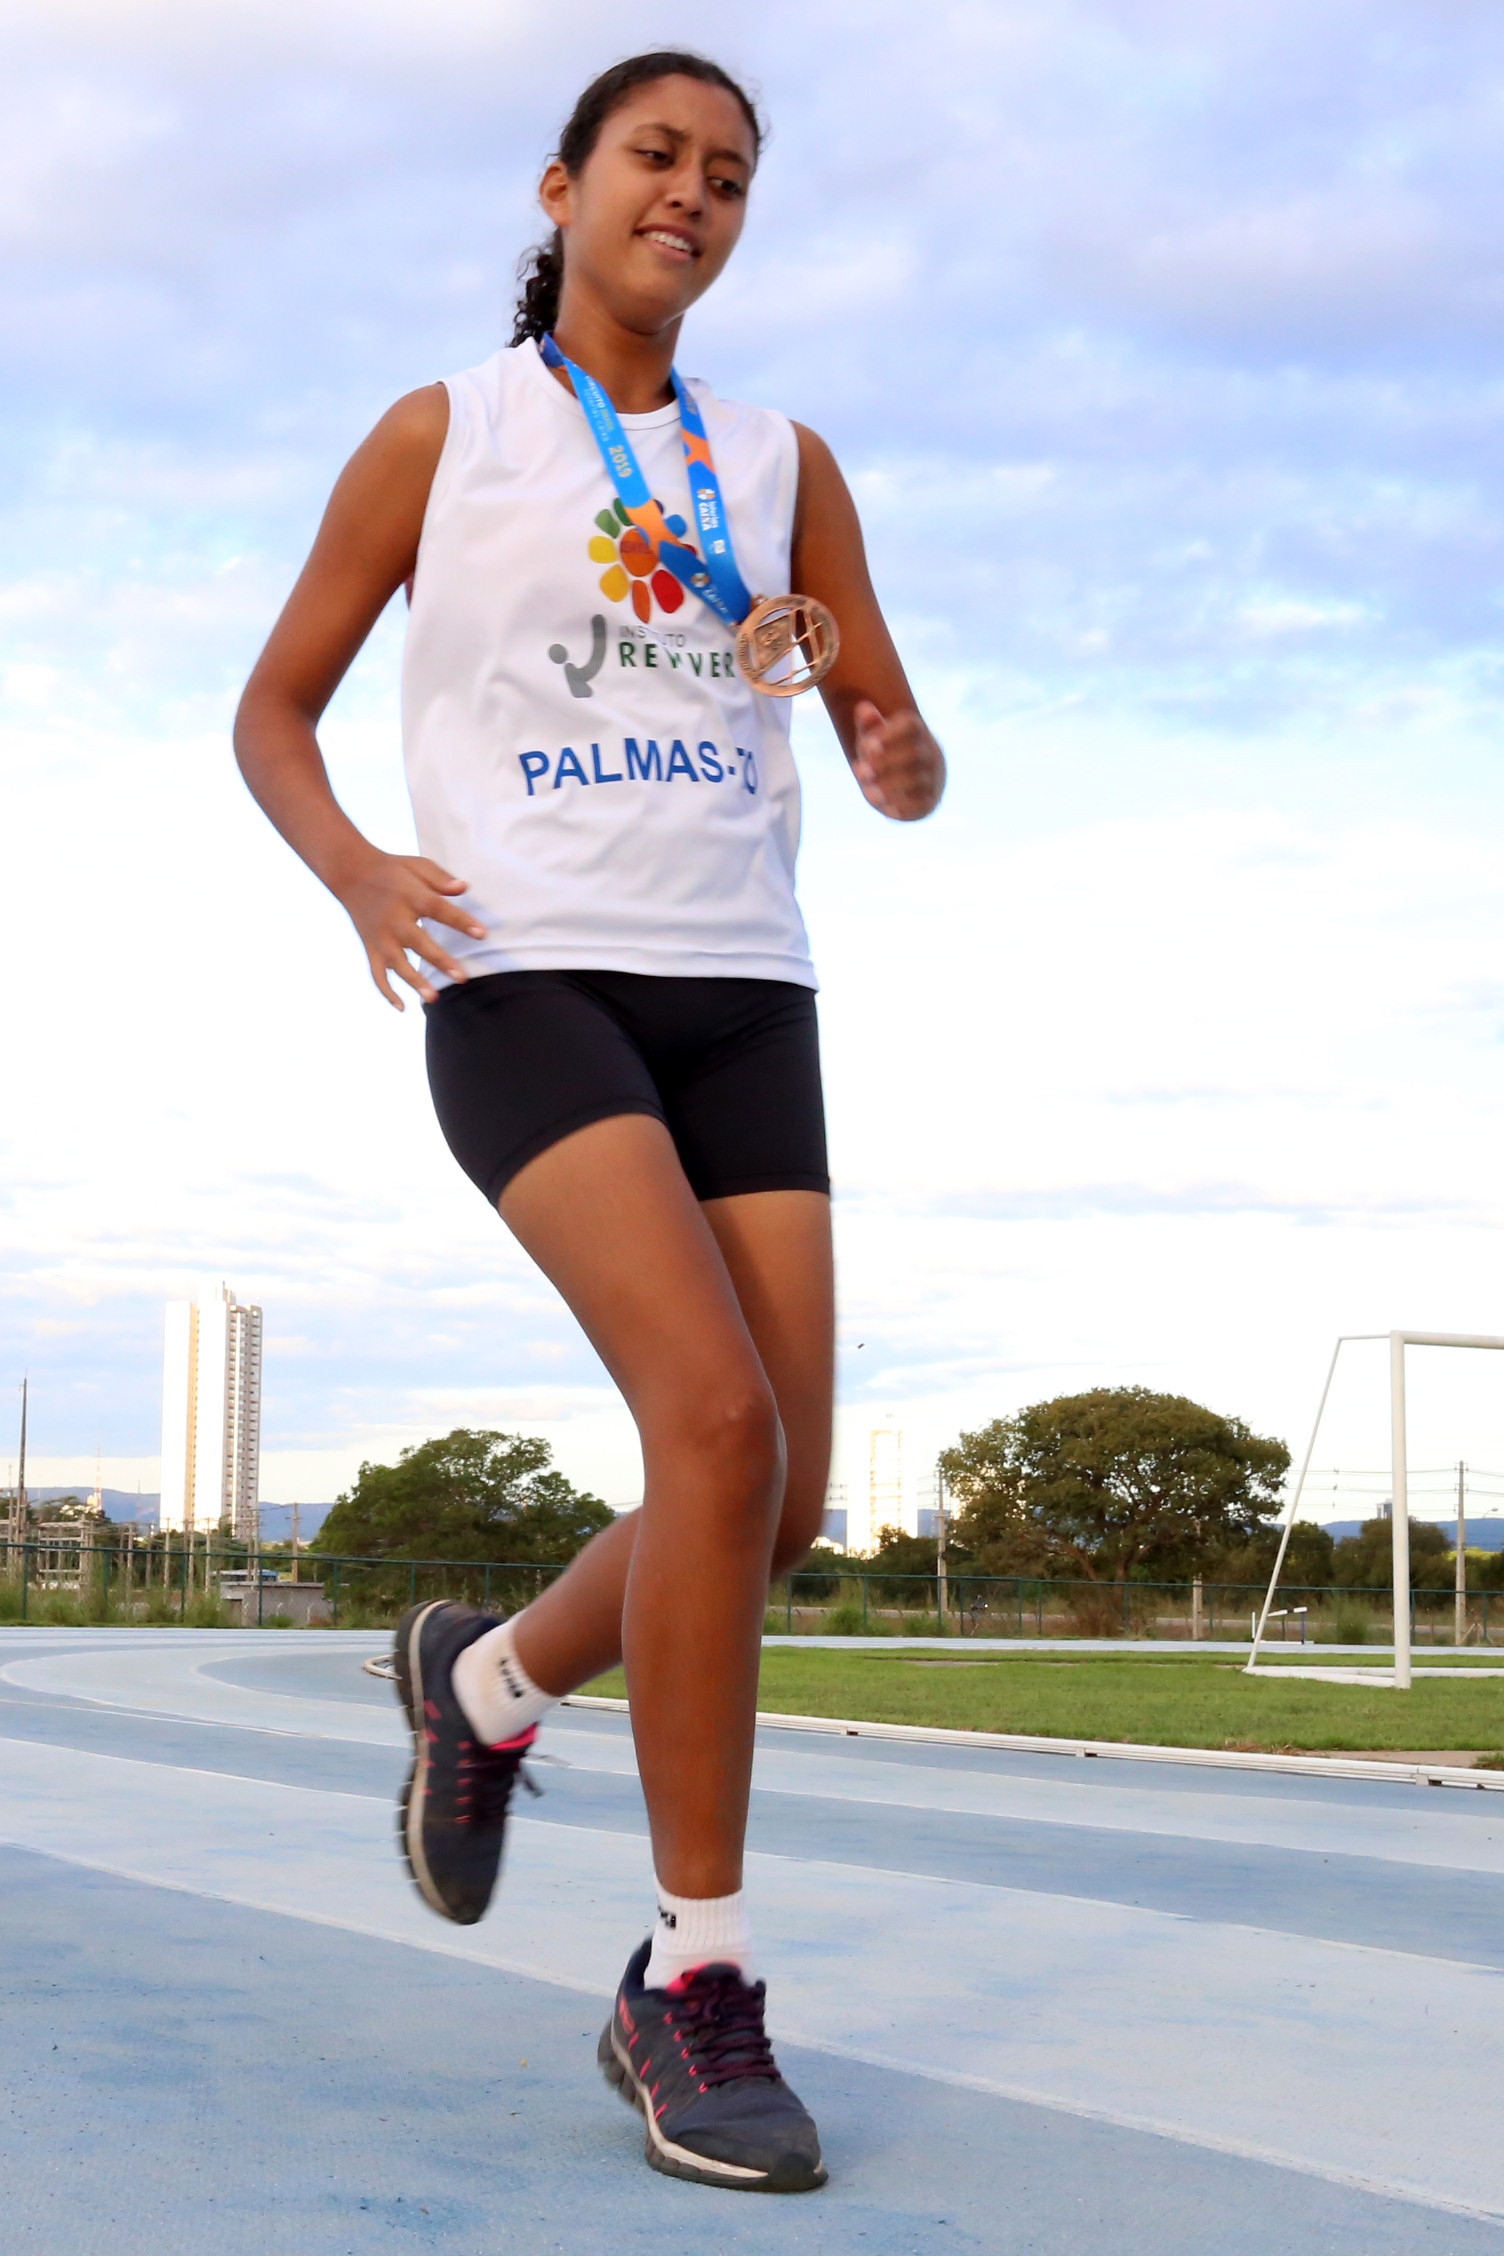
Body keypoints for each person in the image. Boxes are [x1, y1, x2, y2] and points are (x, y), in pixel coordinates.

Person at [234, 49, 944, 2194]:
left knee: (773, 1500)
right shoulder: (441, 434)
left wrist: (887, 740)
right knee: (709, 1429)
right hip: (525, 975)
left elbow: (893, 739)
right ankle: (692, 1983)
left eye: (727, 174)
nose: (690, 195)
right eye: (656, 157)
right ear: (563, 188)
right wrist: (358, 873)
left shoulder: (785, 459)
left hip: (747, 993)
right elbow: (273, 706)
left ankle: (485, 1688)